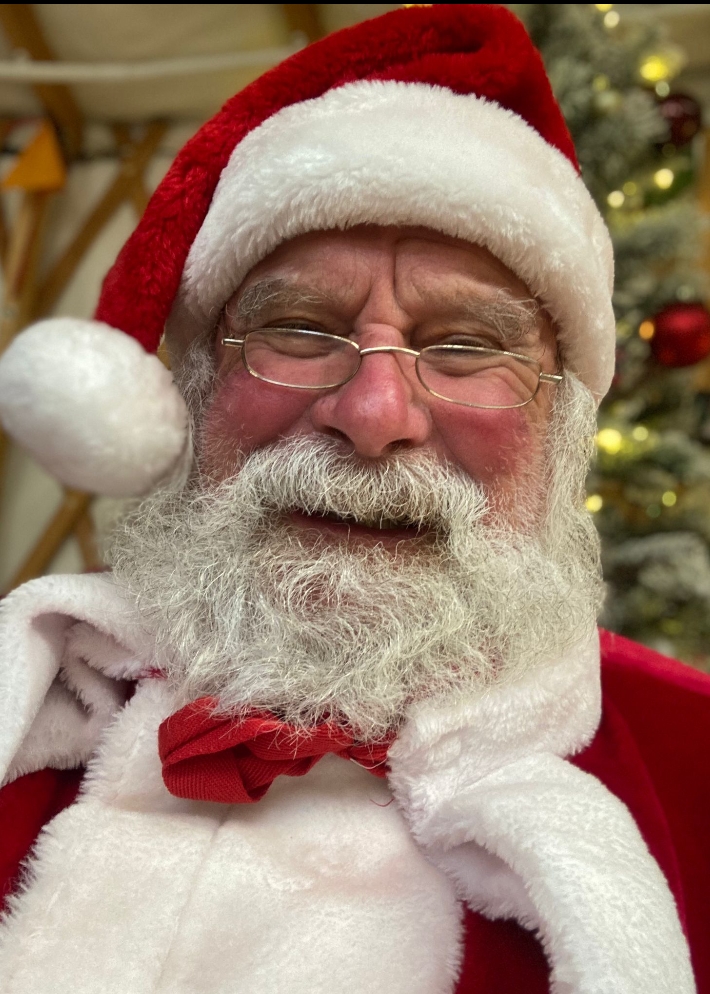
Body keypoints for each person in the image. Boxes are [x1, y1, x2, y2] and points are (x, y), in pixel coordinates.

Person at [0, 6, 707, 993]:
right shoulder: (24, 698)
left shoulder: (694, 766)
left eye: (465, 345)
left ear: (561, 427)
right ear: (192, 397)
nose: (373, 414)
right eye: (298, 328)